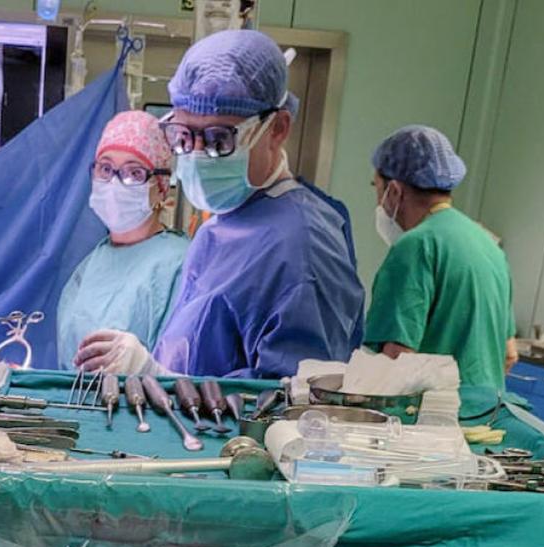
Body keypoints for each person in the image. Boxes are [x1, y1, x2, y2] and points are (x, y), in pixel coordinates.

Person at [74, 30, 364, 379]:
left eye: (218, 139)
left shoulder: (303, 245)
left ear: (277, 129)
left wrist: (157, 378)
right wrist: (160, 375)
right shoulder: (225, 222)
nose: (196, 154)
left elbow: (293, 406)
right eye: (183, 135)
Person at [363, 125, 517, 390]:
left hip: (430, 421)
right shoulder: (488, 244)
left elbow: (396, 358)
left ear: (395, 191)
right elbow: (509, 353)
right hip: (486, 415)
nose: (378, 201)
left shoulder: (415, 246)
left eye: (377, 188)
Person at [57, 110, 188, 369]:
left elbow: (185, 375)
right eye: (106, 168)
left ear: (161, 187)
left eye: (134, 173)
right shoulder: (93, 264)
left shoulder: (180, 265)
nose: (115, 183)